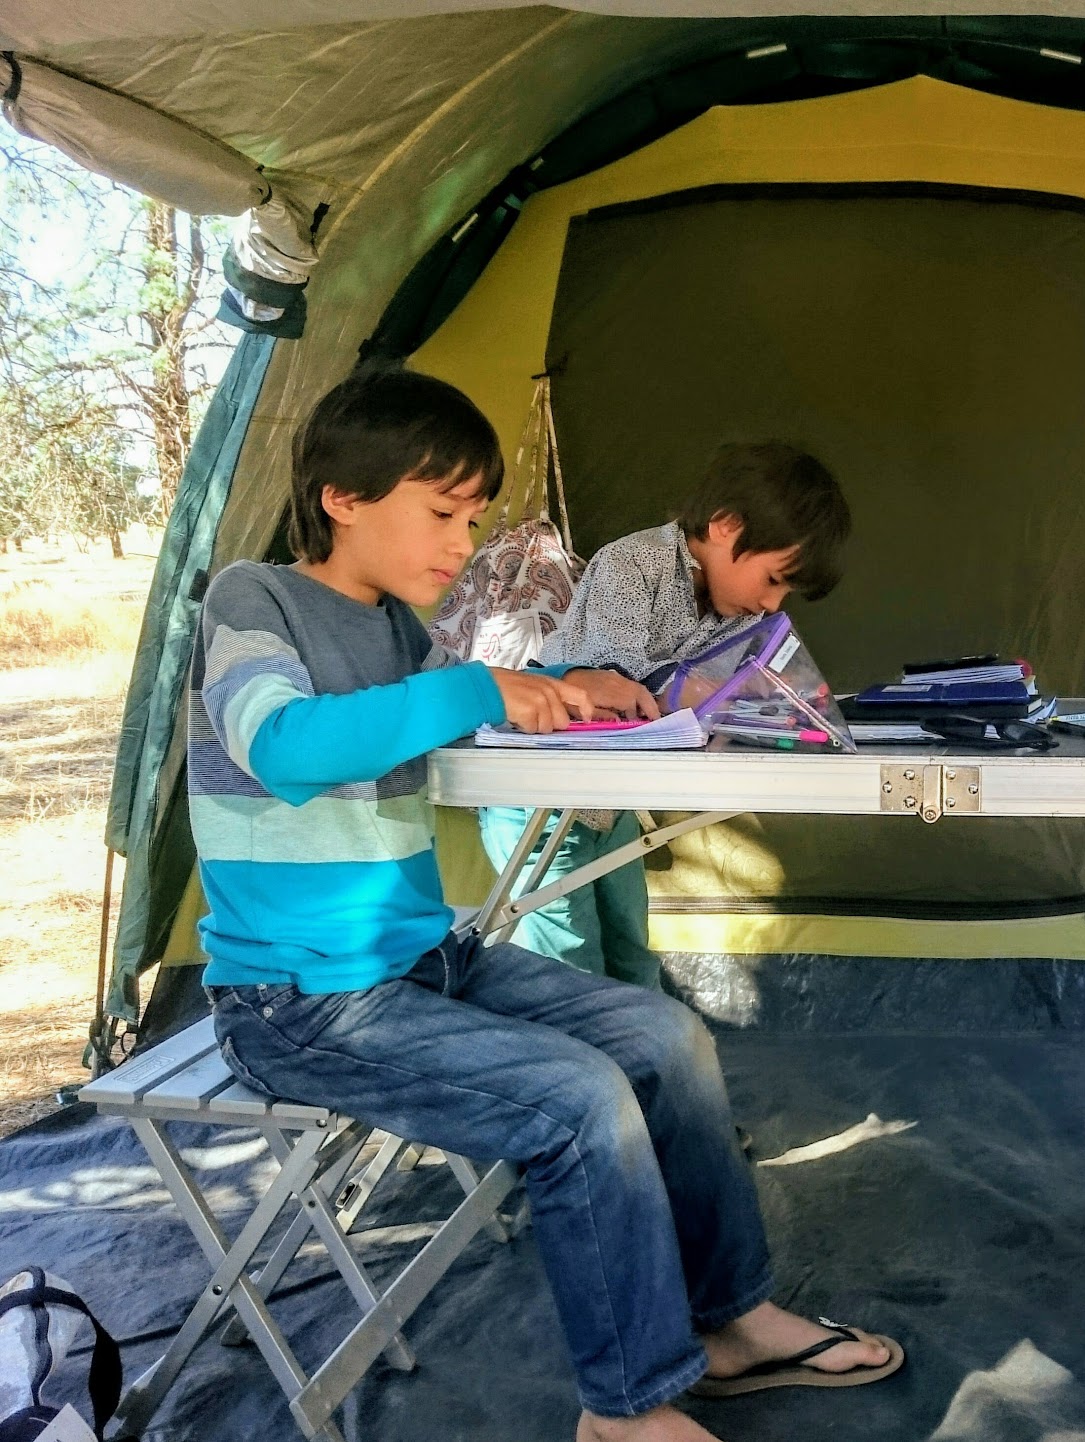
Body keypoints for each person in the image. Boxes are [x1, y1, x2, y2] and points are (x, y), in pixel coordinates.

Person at [192, 370, 900, 1442]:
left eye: (472, 516)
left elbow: (464, 735)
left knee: (665, 1033)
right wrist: (482, 684)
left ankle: (733, 1319)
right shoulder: (254, 599)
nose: (461, 542)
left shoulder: (395, 630)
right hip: (302, 998)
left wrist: (572, 695)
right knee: (580, 1096)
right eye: (443, 513)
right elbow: (283, 748)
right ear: (342, 495)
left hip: (420, 960)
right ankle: (625, 1407)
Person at [477, 441, 852, 986]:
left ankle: (644, 1064)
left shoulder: (731, 614)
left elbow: (720, 702)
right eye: (774, 579)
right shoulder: (634, 563)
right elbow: (610, 677)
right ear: (725, 526)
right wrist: (700, 691)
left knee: (632, 949)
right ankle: (584, 1066)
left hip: (611, 804)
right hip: (540, 801)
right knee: (568, 964)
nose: (773, 605)